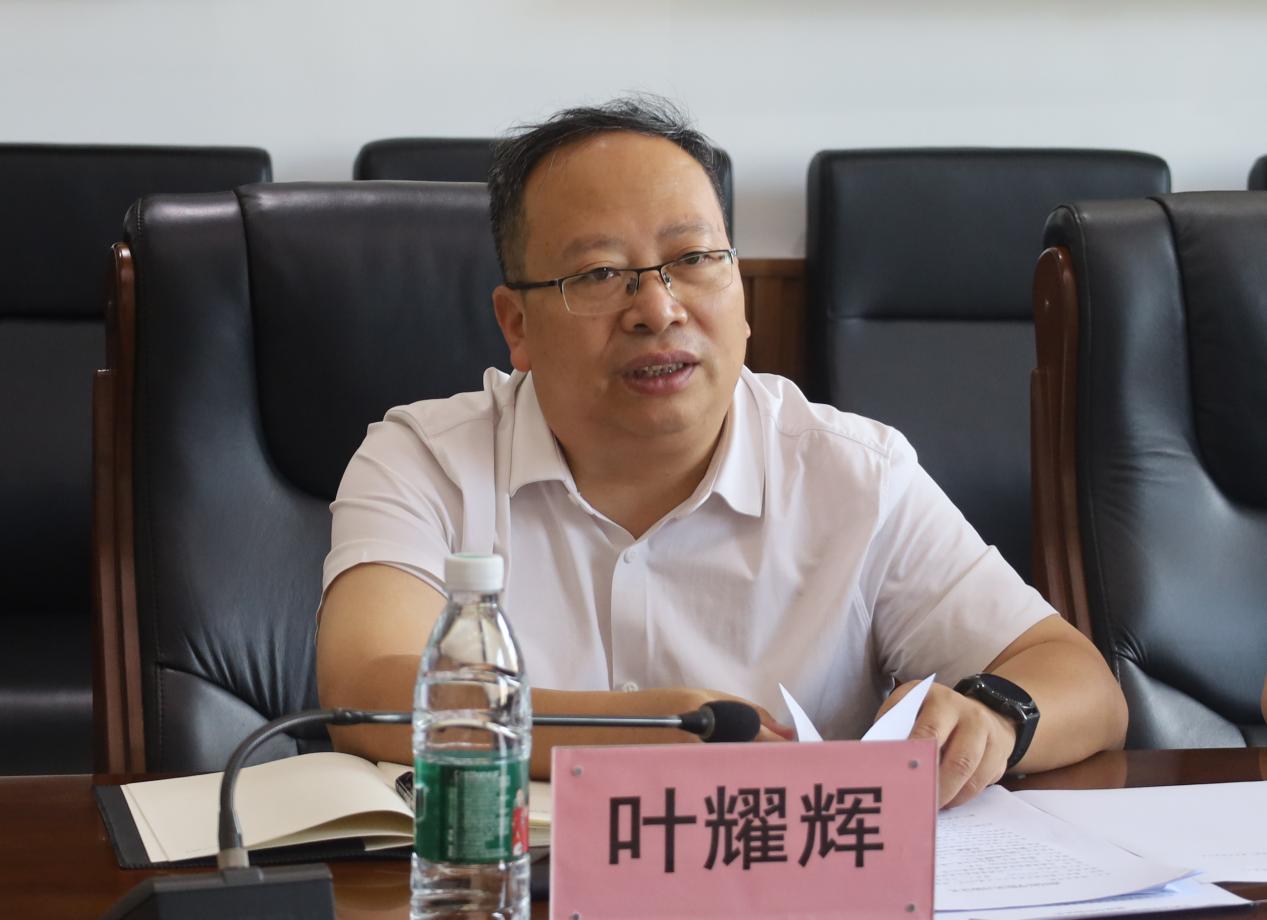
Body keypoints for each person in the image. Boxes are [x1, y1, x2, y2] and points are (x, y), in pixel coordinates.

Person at [317, 96, 1127, 808]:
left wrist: (993, 717)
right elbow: (368, 692)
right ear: (516, 324)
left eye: (694, 260)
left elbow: (1080, 682)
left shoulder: (854, 472)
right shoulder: (424, 460)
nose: (657, 309)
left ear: (739, 293)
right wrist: (644, 733)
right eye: (599, 273)